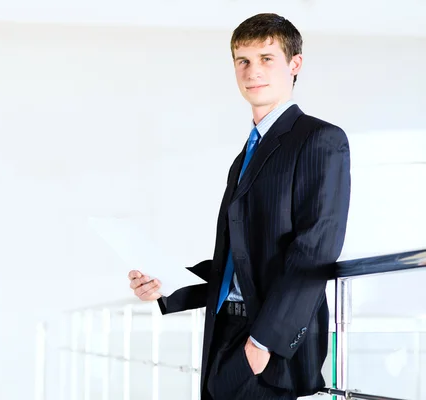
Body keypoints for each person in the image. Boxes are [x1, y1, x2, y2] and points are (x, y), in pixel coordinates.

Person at [128, 13, 351, 400]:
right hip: (224, 338)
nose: (253, 71)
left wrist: (262, 345)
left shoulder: (320, 139)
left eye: (266, 58)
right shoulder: (246, 154)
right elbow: (238, 258)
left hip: (269, 349)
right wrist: (165, 285)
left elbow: (314, 249)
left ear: (294, 64)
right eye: (242, 61)